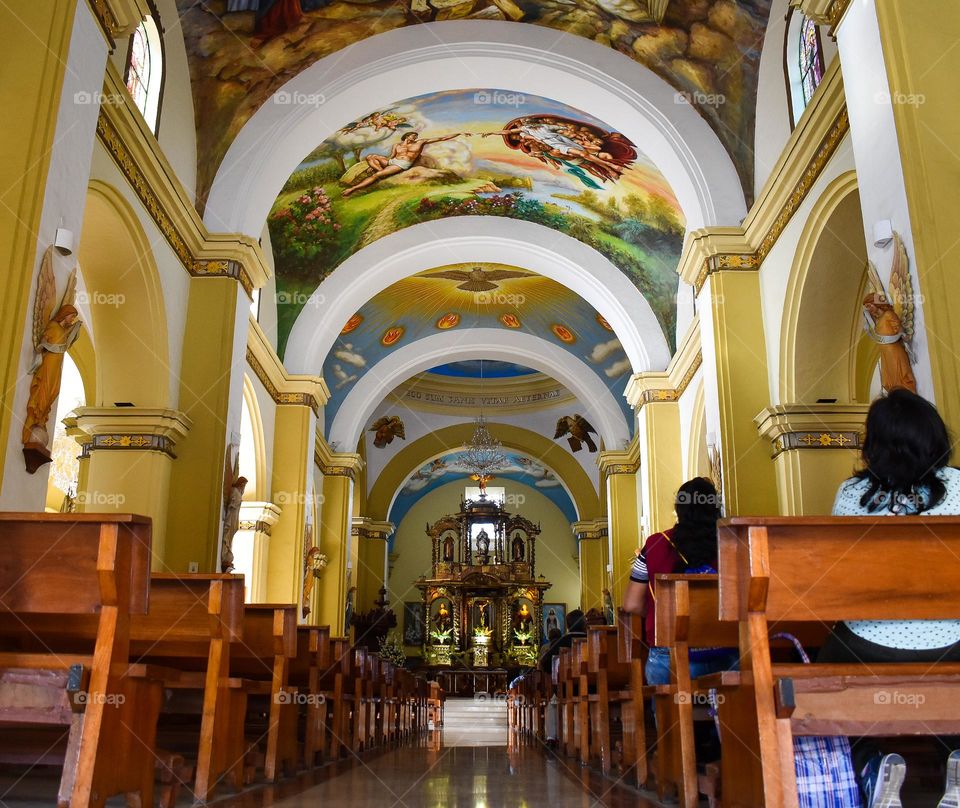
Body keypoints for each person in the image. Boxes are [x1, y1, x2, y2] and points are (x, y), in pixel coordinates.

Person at [817, 389, 960, 807]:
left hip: (866, 644)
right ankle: (955, 754)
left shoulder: (852, 495)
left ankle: (869, 764)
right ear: (934, 437)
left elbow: (839, 576)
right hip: (952, 641)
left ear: (873, 444)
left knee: (821, 678)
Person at [622, 477, 738, 686]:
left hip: (668, 657)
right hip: (729, 654)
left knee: (670, 714)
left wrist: (660, 611)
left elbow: (631, 604)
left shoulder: (655, 543)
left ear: (679, 509)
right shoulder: (734, 541)